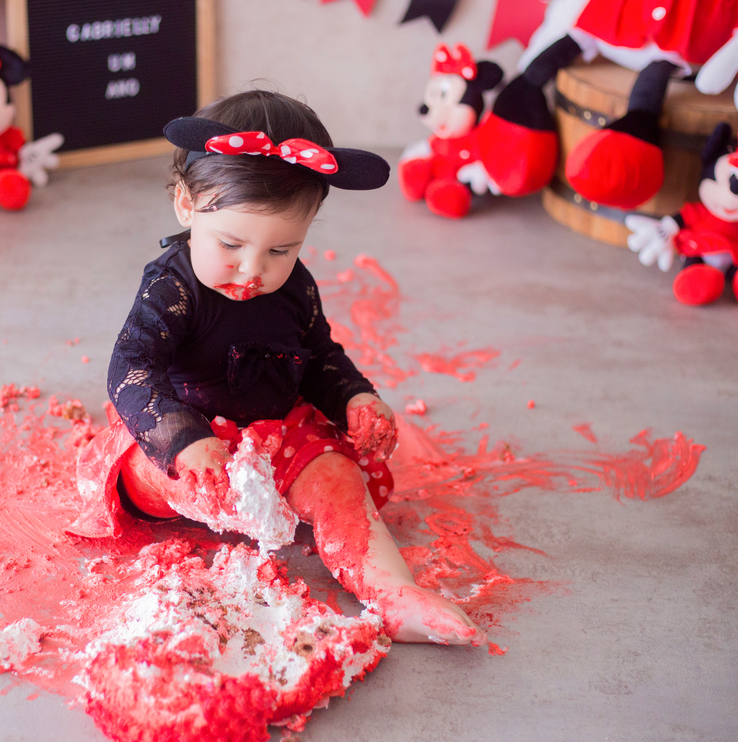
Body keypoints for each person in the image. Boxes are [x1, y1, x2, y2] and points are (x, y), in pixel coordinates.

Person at [69, 90, 485, 646]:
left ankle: (394, 594)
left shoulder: (296, 288)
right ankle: (203, 492)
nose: (253, 270)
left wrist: (353, 398)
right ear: (186, 205)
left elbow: (318, 356)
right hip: (191, 432)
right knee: (143, 476)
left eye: (281, 250)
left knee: (341, 480)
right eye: (231, 244)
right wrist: (182, 441)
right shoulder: (173, 287)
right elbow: (132, 368)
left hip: (279, 438)